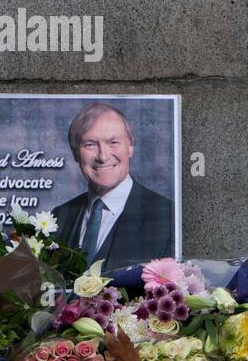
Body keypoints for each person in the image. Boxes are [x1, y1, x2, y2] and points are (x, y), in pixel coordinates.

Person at [51, 103, 175, 271]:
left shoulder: (167, 217)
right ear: (75, 153)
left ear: (130, 147)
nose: (103, 156)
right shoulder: (59, 217)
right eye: (90, 144)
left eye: (113, 142)